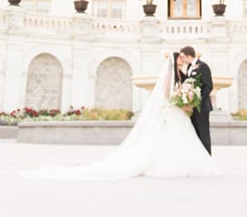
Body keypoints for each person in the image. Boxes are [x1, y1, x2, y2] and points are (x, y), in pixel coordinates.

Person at [21, 52, 219, 180]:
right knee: (172, 135)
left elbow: (190, 86)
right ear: (177, 60)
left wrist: (184, 97)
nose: (183, 61)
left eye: (184, 58)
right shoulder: (170, 74)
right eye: (181, 58)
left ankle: (189, 161)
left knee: (182, 135)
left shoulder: (185, 72)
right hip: (172, 107)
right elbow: (166, 94)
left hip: (179, 109)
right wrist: (178, 98)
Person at [179, 45, 213, 154]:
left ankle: (208, 158)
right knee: (196, 134)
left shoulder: (203, 66)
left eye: (183, 57)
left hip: (201, 107)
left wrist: (197, 101)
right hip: (192, 107)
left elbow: (208, 86)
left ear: (189, 56)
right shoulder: (189, 67)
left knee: (203, 134)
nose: (182, 59)